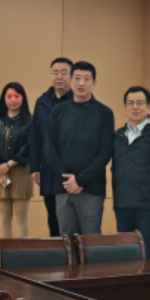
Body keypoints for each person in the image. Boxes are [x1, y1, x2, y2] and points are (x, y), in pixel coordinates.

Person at [45, 62, 115, 237]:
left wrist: (80, 179)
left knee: (91, 241)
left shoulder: (104, 113)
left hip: (92, 188)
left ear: (94, 83)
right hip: (63, 187)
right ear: (70, 81)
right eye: (77, 78)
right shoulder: (57, 111)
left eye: (86, 79)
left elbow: (105, 153)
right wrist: (67, 180)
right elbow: (50, 148)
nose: (81, 83)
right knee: (67, 240)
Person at [112, 87, 150, 259]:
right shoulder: (118, 136)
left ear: (149, 107)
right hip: (122, 206)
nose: (135, 107)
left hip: (148, 207)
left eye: (140, 103)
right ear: (125, 107)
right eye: (130, 103)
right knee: (125, 255)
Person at [29, 58, 74, 237]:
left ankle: (73, 251)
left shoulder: (77, 101)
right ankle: (58, 250)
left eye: (64, 72)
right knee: (53, 216)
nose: (59, 76)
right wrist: (35, 167)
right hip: (47, 168)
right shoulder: (42, 102)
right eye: (55, 72)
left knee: (70, 217)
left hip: (69, 168)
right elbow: (35, 136)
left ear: (71, 76)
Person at [0, 83, 34, 238]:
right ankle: (5, 250)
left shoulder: (30, 120)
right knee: (4, 216)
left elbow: (29, 146)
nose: (13, 100)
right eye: (9, 96)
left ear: (23, 98)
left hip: (20, 172)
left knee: (21, 217)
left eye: (17, 96)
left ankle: (21, 250)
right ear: (4, 98)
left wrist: (9, 164)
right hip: (2, 174)